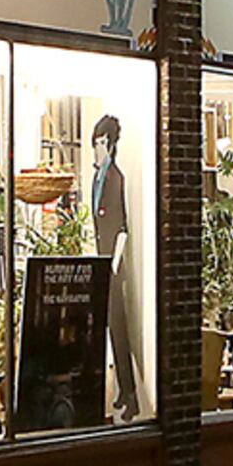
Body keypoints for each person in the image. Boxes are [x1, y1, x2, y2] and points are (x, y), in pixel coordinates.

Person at [87, 113, 144, 421]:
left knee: (119, 329)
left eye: (99, 143)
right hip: (101, 261)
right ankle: (124, 390)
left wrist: (113, 264)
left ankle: (131, 392)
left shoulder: (114, 178)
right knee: (111, 328)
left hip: (111, 265)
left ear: (109, 144)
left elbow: (122, 228)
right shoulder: (98, 177)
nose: (96, 149)